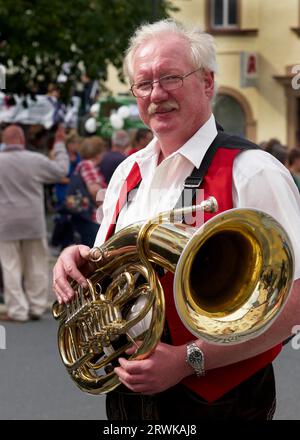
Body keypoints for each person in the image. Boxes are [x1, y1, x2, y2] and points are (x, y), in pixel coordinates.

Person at [53, 19, 300, 420]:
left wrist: (190, 360)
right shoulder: (127, 172)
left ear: (206, 82)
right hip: (128, 389)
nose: (156, 94)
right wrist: (77, 259)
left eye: (170, 77)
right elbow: (107, 269)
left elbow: (294, 301)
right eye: (143, 84)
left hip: (220, 399)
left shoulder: (254, 171)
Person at [0, 124, 69, 322]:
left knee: (10, 267)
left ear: (5, 141)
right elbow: (62, 170)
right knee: (37, 264)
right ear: (22, 140)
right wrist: (59, 145)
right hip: (33, 221)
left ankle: (18, 310)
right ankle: (37, 306)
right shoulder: (34, 160)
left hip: (5, 222)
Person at [65, 136, 107, 247]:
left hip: (85, 216)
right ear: (98, 153)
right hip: (92, 217)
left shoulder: (82, 164)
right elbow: (95, 191)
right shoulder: (88, 165)